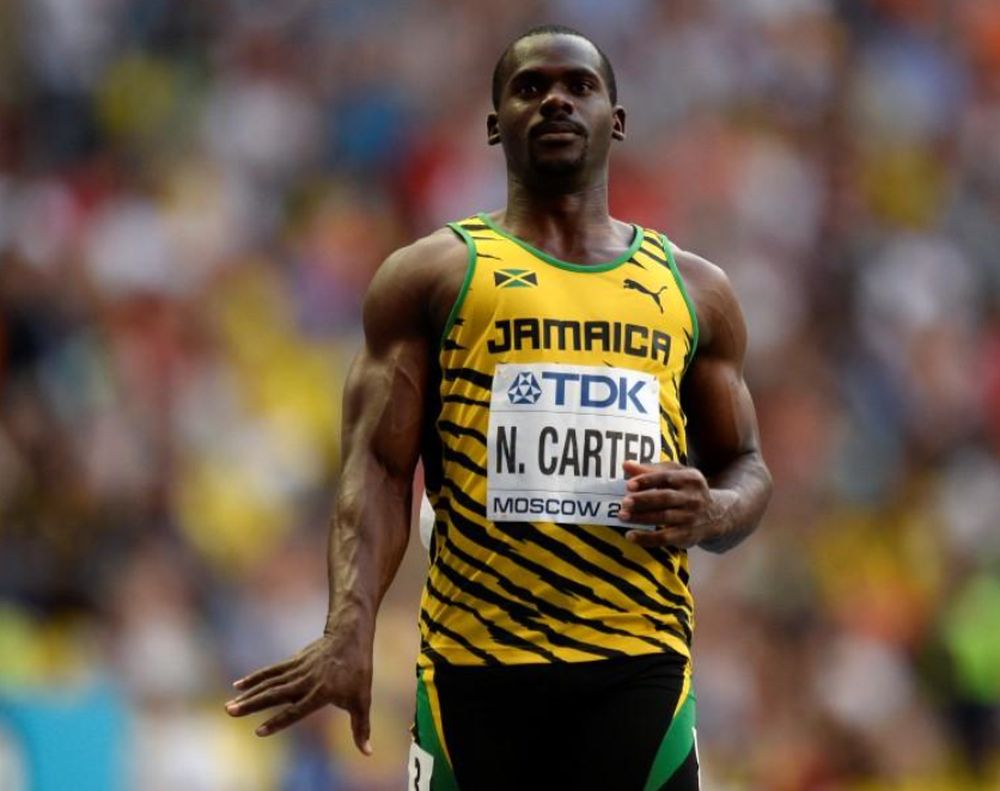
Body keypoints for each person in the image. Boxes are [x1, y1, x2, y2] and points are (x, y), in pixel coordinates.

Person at [226, 24, 772, 790]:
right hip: (475, 669)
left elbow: (747, 466)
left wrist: (713, 510)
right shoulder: (431, 277)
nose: (555, 99)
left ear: (616, 118)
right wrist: (348, 625)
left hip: (637, 665)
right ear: (494, 124)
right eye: (530, 87)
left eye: (579, 86)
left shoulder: (695, 289)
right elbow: (380, 468)